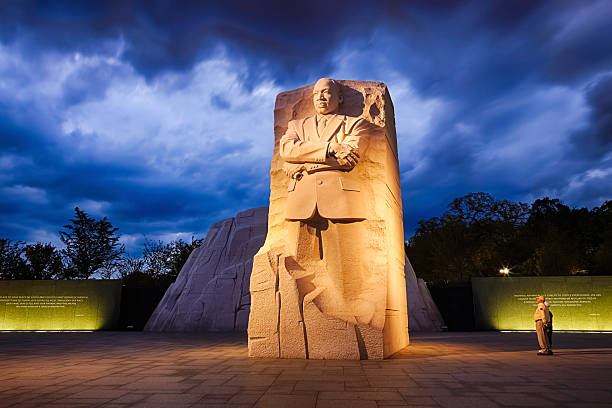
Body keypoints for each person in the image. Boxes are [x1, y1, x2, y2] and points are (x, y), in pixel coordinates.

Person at [278, 77, 377, 324]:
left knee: (345, 264)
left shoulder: (356, 124)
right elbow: (287, 152)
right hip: (301, 198)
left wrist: (304, 161)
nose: (321, 97)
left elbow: (349, 160)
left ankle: (348, 312)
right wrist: (331, 148)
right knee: (297, 261)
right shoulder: (296, 126)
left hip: (340, 199)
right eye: (316, 93)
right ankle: (299, 315)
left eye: (327, 93)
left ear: (340, 98)